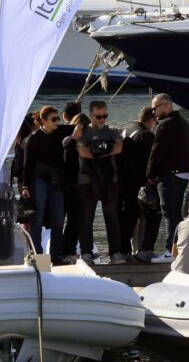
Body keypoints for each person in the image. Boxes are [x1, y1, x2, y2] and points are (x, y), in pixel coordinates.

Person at [77, 100, 125, 265]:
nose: (102, 119)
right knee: (86, 218)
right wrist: (105, 151)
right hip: (87, 180)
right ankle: (86, 252)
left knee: (112, 216)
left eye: (105, 116)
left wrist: (96, 153)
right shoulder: (83, 132)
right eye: (98, 116)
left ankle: (116, 252)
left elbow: (118, 149)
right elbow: (83, 152)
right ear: (91, 115)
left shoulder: (112, 131)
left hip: (109, 180)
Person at [147, 93, 189, 262]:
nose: (154, 112)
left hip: (169, 175)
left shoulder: (165, 124)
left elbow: (156, 152)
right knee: (176, 213)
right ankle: (179, 248)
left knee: (169, 213)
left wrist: (150, 175)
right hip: (183, 174)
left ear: (166, 105)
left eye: (155, 108)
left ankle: (169, 250)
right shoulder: (184, 123)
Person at [21, 107, 69, 262]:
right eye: (53, 119)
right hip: (39, 180)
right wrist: (25, 186)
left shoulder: (59, 132)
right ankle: (38, 256)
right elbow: (27, 165)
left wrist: (80, 127)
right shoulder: (33, 138)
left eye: (58, 118)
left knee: (59, 218)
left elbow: (78, 125)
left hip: (56, 181)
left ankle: (56, 255)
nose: (57, 122)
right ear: (43, 121)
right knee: (38, 218)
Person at [119, 106, 159, 263]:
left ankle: (124, 250)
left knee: (128, 218)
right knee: (148, 217)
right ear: (151, 120)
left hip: (124, 181)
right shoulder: (147, 136)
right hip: (139, 183)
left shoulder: (128, 128)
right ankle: (143, 251)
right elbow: (150, 161)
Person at [60, 102, 85, 263]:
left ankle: (67, 249)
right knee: (74, 219)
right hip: (73, 184)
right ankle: (67, 250)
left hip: (70, 184)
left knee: (72, 220)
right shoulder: (71, 142)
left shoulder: (66, 140)